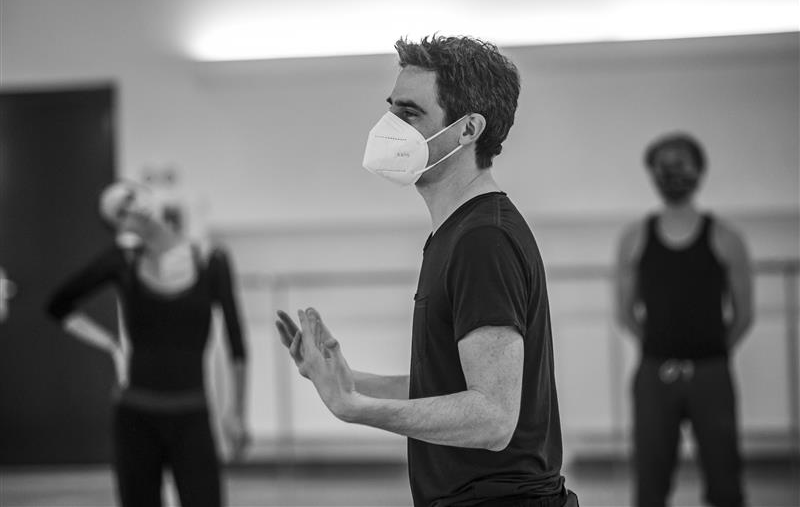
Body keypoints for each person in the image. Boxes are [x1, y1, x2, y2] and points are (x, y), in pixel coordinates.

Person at [275, 35, 577, 507]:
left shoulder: (484, 241)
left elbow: (493, 417)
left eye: (410, 113)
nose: (390, 127)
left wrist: (356, 409)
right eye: (391, 109)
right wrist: (347, 378)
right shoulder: (456, 232)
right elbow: (449, 387)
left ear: (468, 129)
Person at [46, 180, 250, 507]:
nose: (132, 208)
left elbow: (236, 340)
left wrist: (237, 412)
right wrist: (111, 344)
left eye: (131, 197)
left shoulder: (211, 259)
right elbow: (58, 305)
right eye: (120, 211)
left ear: (149, 196)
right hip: (136, 416)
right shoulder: (121, 262)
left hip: (192, 412)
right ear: (119, 227)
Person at [615, 133, 753, 507]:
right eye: (663, 165)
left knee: (725, 481)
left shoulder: (727, 238)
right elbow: (625, 313)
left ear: (699, 170)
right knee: (650, 484)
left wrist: (708, 352)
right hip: (654, 375)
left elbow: (744, 314)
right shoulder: (634, 238)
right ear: (652, 173)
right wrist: (664, 348)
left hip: (712, 374)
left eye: (680, 163)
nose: (672, 172)